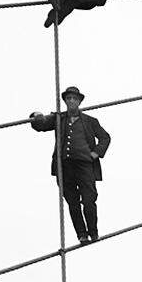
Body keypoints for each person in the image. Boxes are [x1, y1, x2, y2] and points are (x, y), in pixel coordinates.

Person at [30, 87, 112, 245]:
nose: (72, 101)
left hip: (85, 165)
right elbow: (41, 125)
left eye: (74, 99)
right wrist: (36, 116)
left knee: (88, 200)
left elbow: (105, 138)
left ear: (79, 101)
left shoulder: (90, 121)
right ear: (65, 101)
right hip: (65, 166)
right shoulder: (59, 118)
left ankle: (93, 232)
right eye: (69, 98)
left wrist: (95, 153)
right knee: (72, 202)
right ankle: (82, 234)